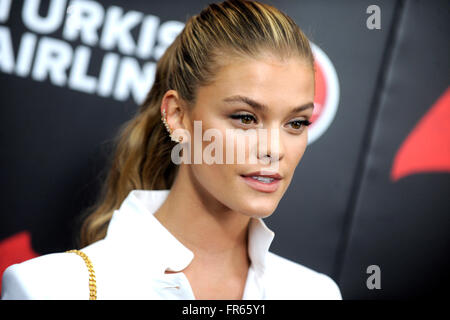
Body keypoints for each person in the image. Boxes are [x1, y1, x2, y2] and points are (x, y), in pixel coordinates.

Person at [1, 0, 342, 300]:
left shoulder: (315, 293)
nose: (273, 149)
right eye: (245, 117)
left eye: (296, 123)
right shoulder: (50, 289)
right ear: (178, 116)